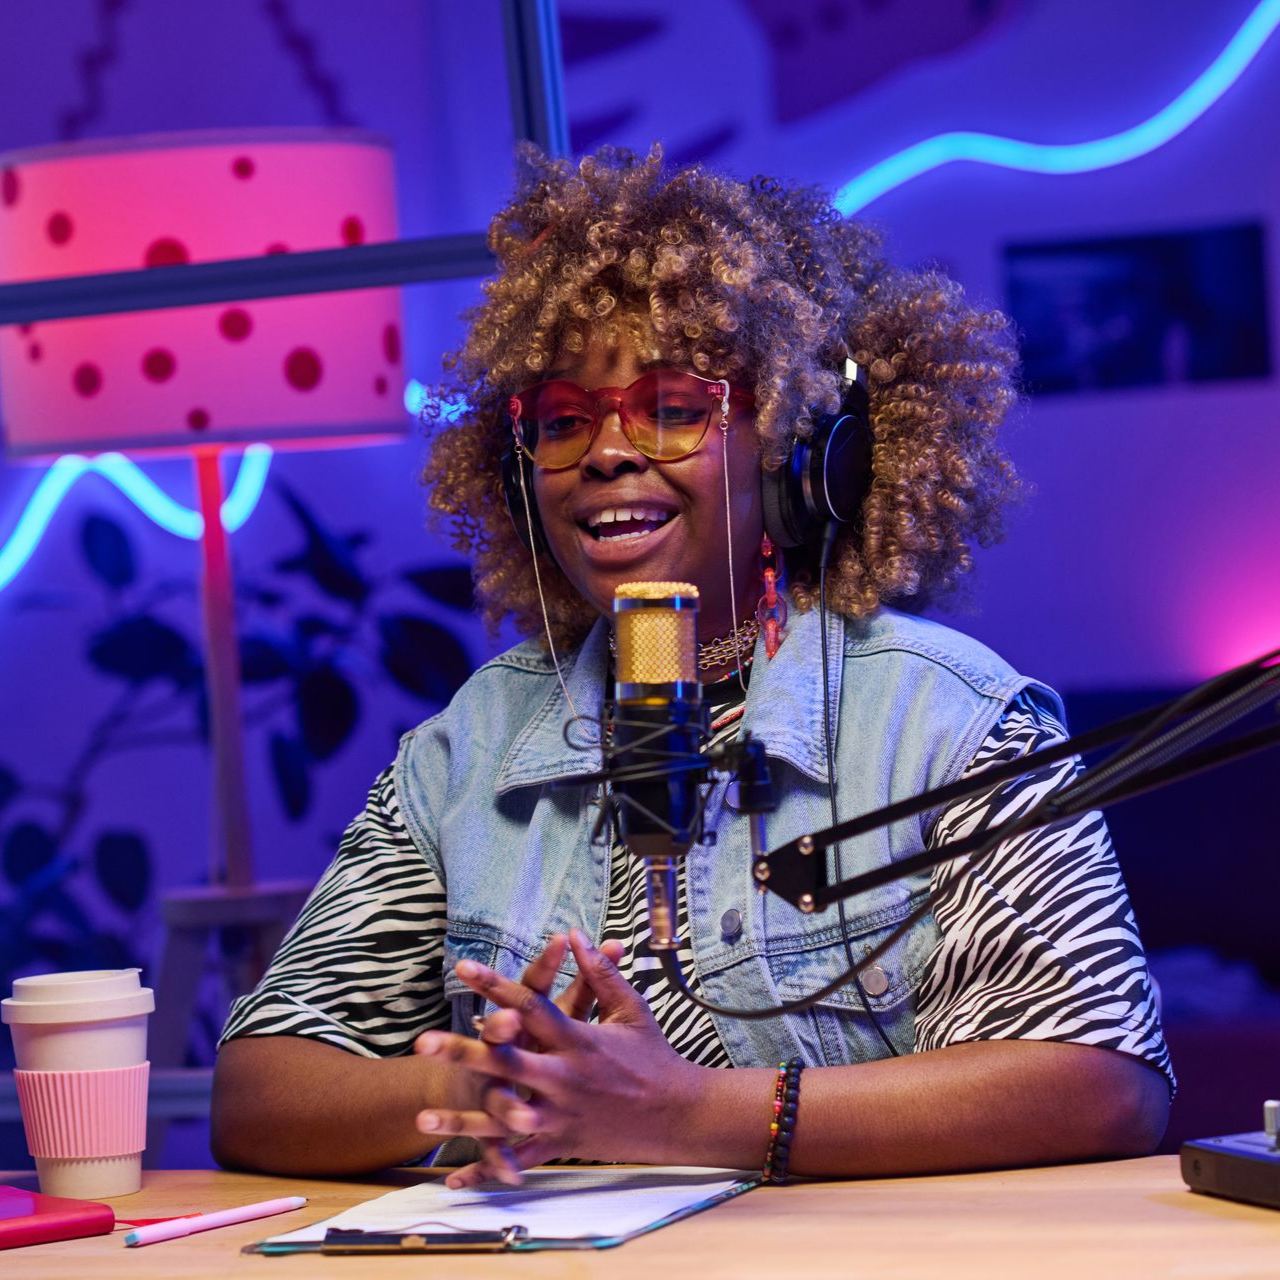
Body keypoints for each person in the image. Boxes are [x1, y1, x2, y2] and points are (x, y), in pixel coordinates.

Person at [211, 145, 1172, 1186]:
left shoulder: (952, 717)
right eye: (563, 422)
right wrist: (493, 1086)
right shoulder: (470, 746)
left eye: (672, 408)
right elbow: (260, 1091)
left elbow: (1101, 1080)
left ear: (797, 450)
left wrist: (695, 1115)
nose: (607, 453)